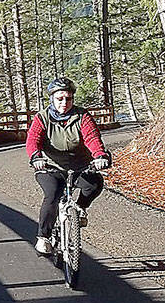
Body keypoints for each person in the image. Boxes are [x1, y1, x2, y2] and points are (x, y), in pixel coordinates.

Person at [25, 77, 111, 256]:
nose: (65, 102)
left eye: (69, 98)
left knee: (94, 184)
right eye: (60, 99)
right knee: (53, 194)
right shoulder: (42, 118)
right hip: (50, 167)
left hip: (79, 166)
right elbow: (33, 141)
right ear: (52, 99)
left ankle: (79, 208)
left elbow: (92, 139)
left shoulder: (82, 116)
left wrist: (99, 156)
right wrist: (36, 157)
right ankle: (44, 237)